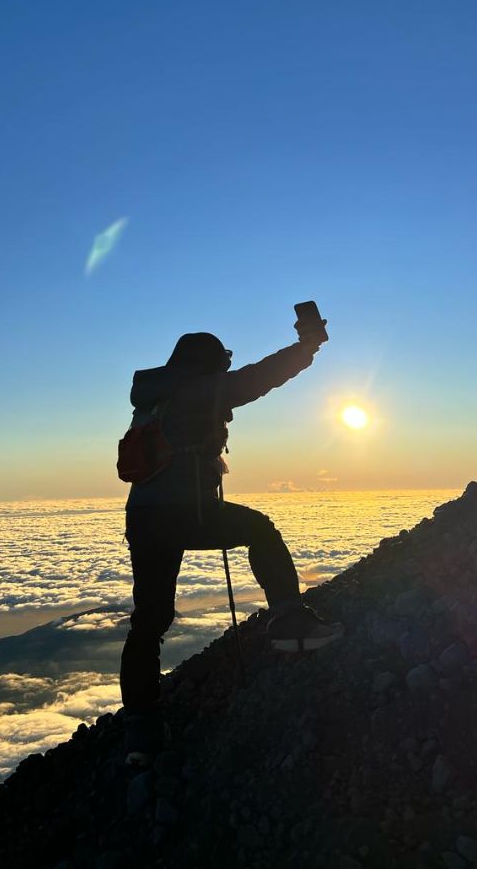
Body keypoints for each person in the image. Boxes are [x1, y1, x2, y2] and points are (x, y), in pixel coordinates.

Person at [119, 317, 344, 763]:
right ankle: (290, 625)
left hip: (144, 517)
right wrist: (307, 348)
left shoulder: (155, 397)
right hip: (186, 513)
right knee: (260, 530)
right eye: (221, 362)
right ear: (207, 363)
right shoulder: (199, 388)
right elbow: (259, 379)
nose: (225, 370)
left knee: (149, 621)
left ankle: (141, 734)